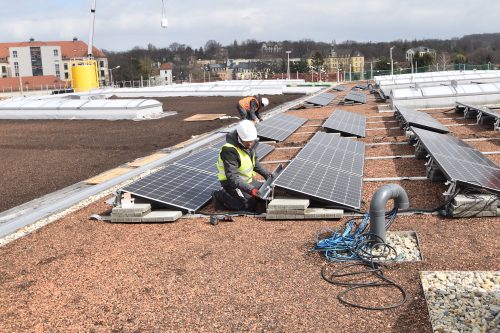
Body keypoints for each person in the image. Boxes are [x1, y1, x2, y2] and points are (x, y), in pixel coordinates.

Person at [212, 120, 271, 212]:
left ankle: (248, 193)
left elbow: (255, 163)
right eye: (248, 142)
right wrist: (251, 189)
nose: (250, 144)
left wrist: (268, 175)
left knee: (265, 193)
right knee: (248, 206)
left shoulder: (249, 144)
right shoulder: (229, 150)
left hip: (247, 181)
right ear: (240, 138)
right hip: (231, 184)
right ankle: (219, 196)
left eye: (252, 141)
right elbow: (232, 177)